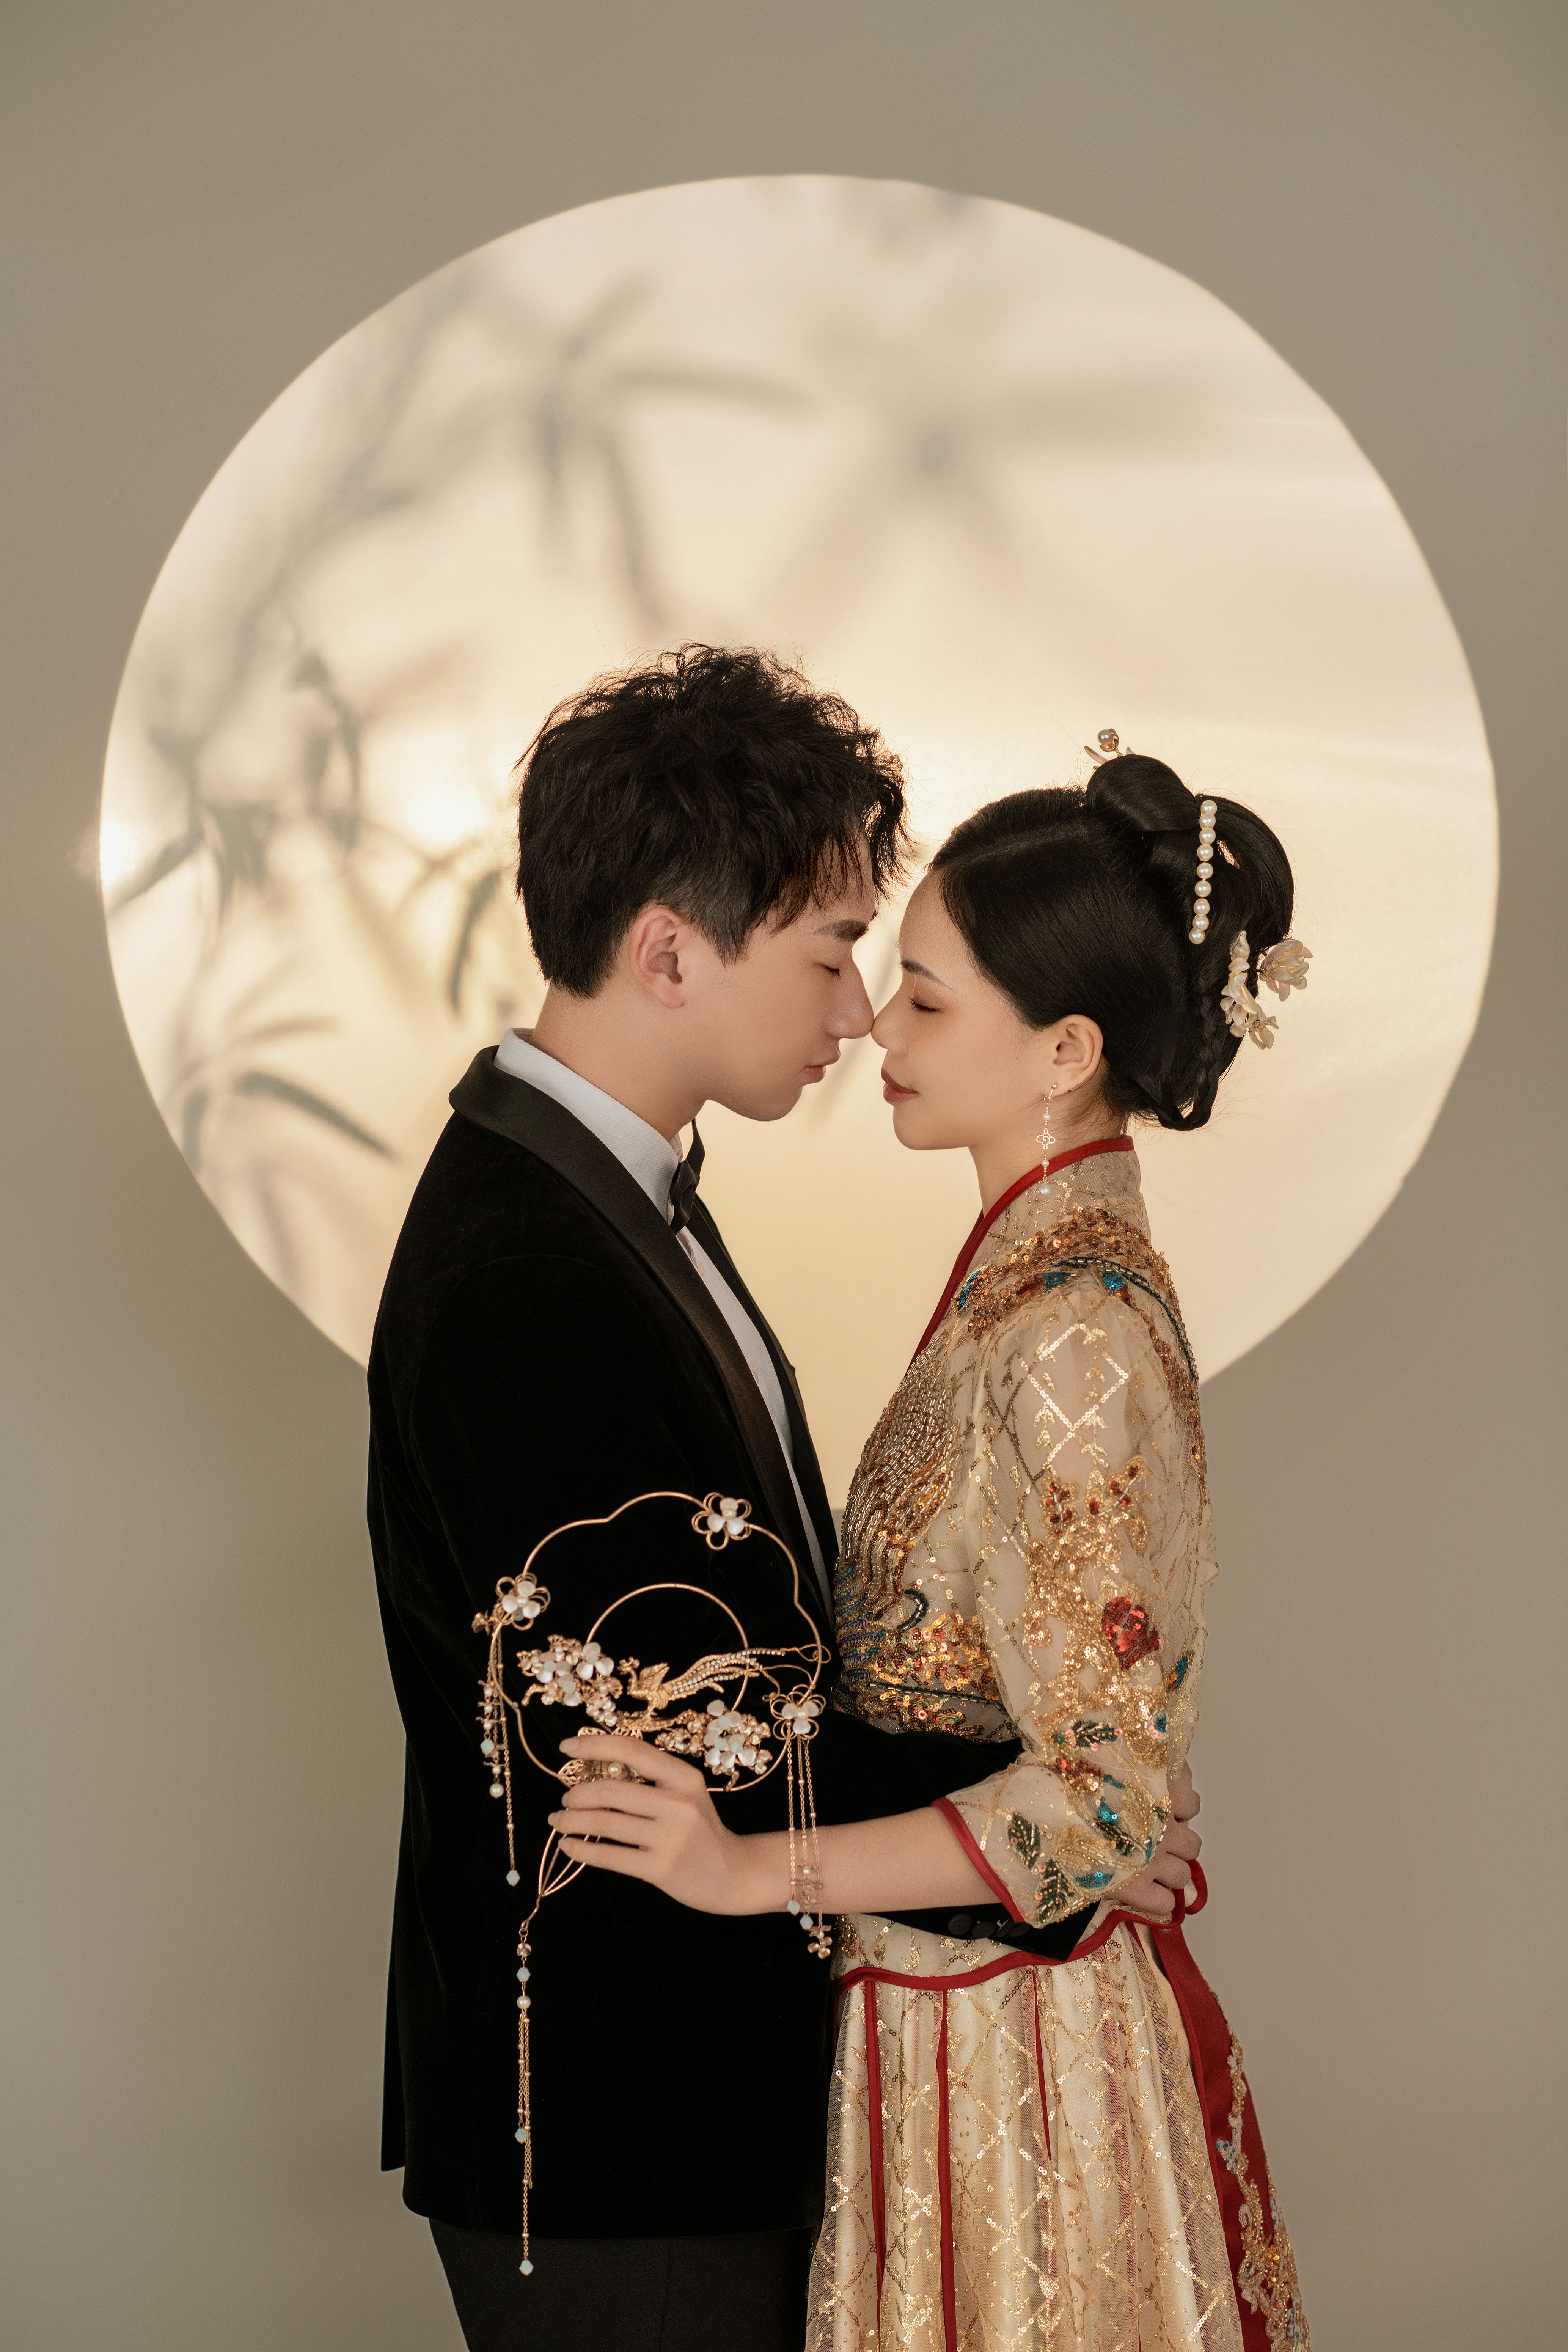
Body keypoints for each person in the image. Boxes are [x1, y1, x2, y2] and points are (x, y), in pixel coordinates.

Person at [556, 745, 1312, 2350]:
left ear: (1065, 1050)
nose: (872, 1030)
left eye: (921, 997)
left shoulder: (1073, 1328)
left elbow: (1100, 1802)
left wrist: (749, 1869)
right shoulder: (1022, 1284)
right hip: (945, 2026)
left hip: (1019, 2062)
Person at [367, 644, 1039, 2352]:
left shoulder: (599, 1189)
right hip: (624, 2119)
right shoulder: (527, 1271)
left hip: (664, 2093)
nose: (855, 1015)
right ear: (668, 951)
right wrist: (1051, 1825)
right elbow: (686, 1733)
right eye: (829, 953)